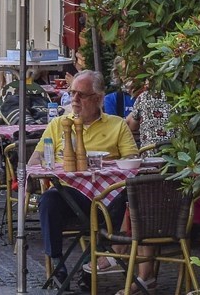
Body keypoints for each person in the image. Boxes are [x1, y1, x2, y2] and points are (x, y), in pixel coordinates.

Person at [29, 70, 137, 284]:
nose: (74, 99)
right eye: (72, 93)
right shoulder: (60, 124)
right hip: (71, 195)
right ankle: (57, 263)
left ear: (98, 99)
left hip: (109, 196)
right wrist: (55, 163)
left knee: (123, 199)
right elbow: (34, 161)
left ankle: (90, 267)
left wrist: (102, 164)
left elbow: (132, 160)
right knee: (49, 200)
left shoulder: (117, 125)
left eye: (81, 95)